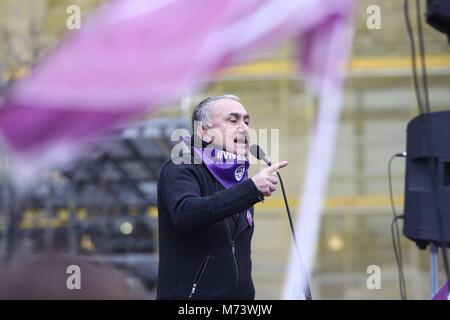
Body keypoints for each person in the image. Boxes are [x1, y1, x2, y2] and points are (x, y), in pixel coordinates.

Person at [156, 94, 288, 299]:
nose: (244, 128)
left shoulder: (239, 181)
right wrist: (250, 189)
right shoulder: (181, 165)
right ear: (204, 132)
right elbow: (185, 213)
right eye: (232, 120)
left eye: (246, 121)